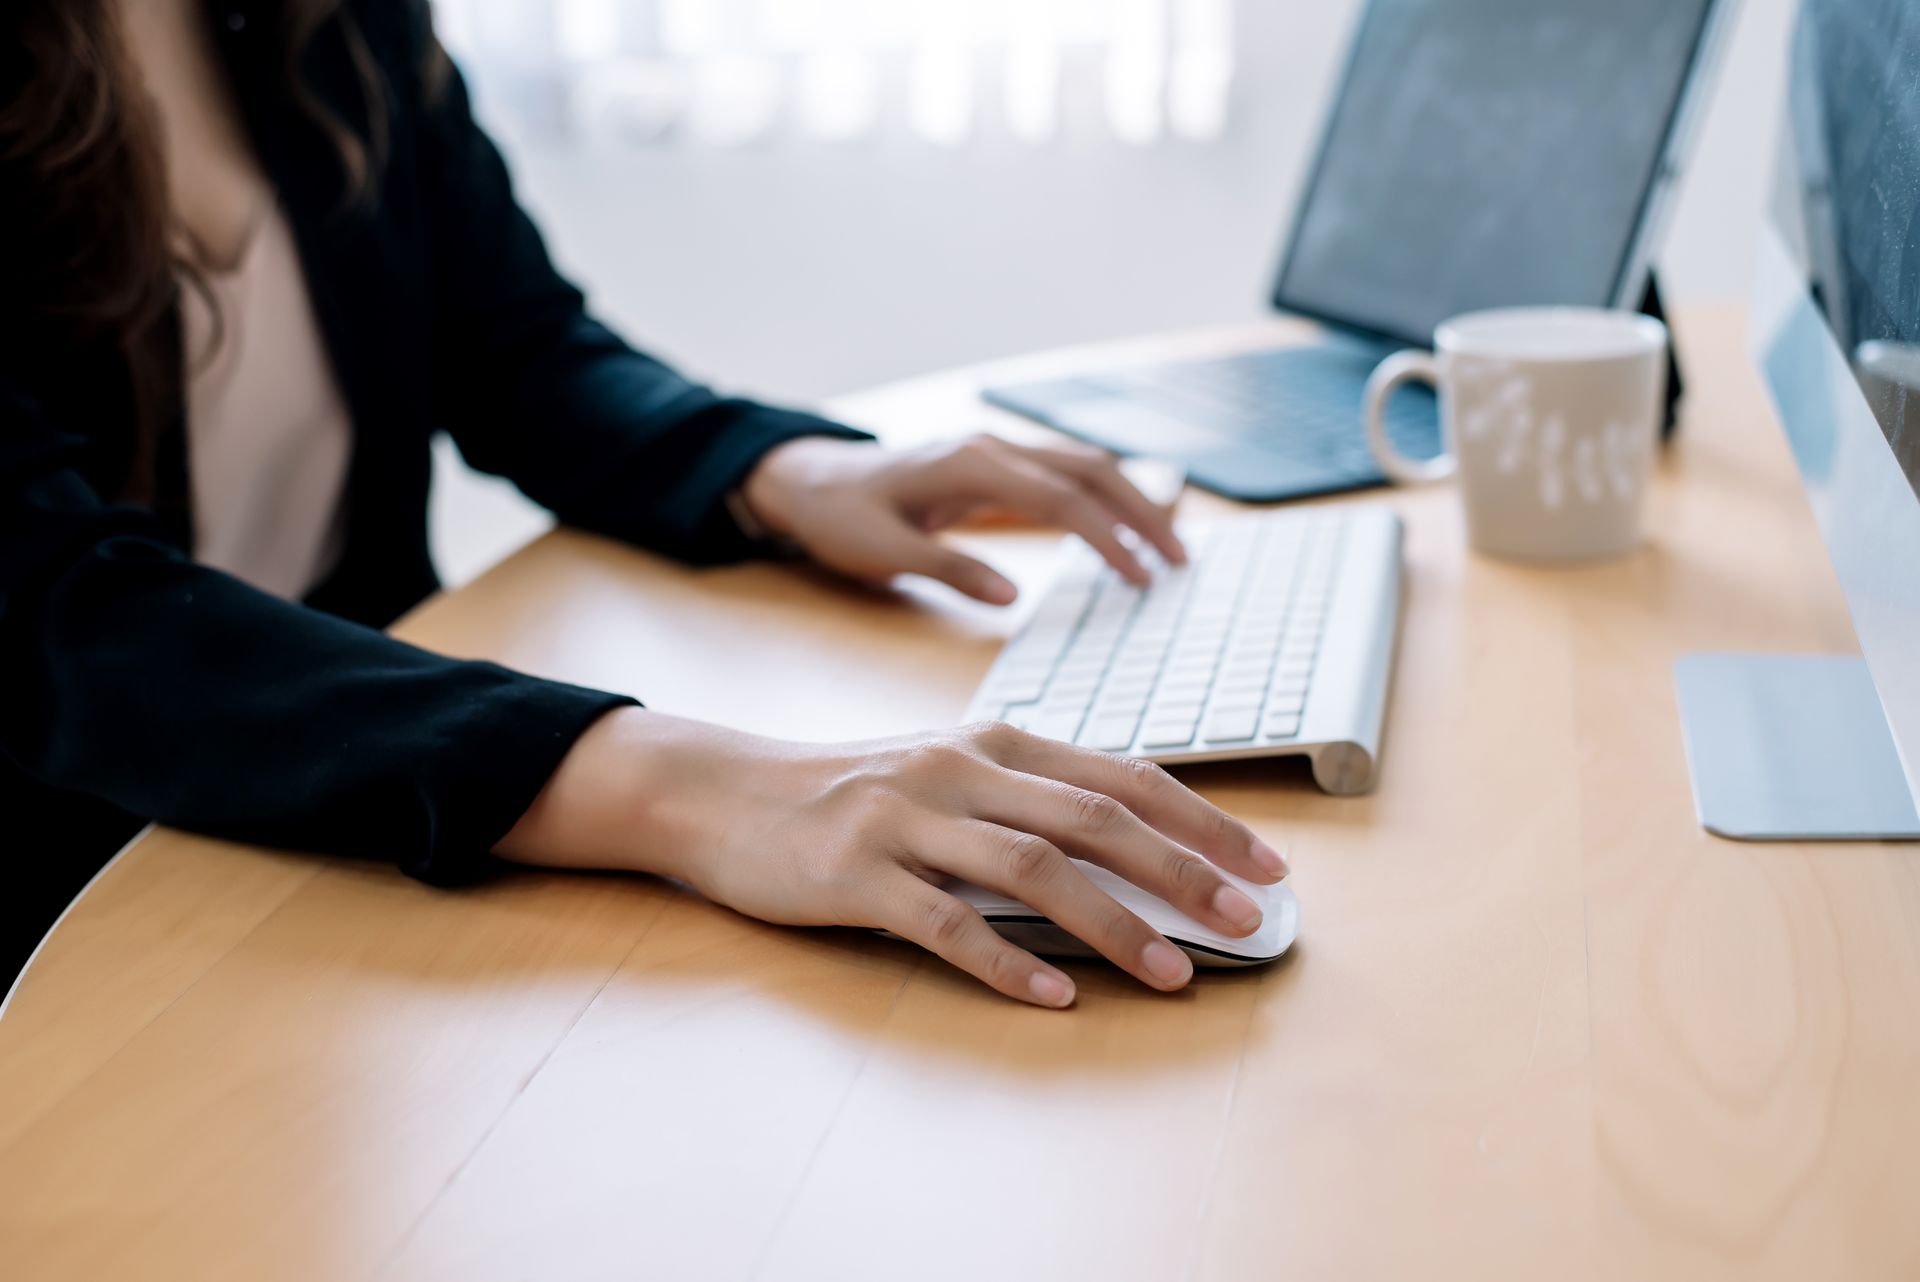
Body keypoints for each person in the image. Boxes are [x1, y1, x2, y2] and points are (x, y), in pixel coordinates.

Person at [0, 0, 1288, 1004]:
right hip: (78, 888)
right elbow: (57, 619)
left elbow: (515, 350)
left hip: (334, 819)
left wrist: (785, 474)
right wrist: (697, 786)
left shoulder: (328, 20)